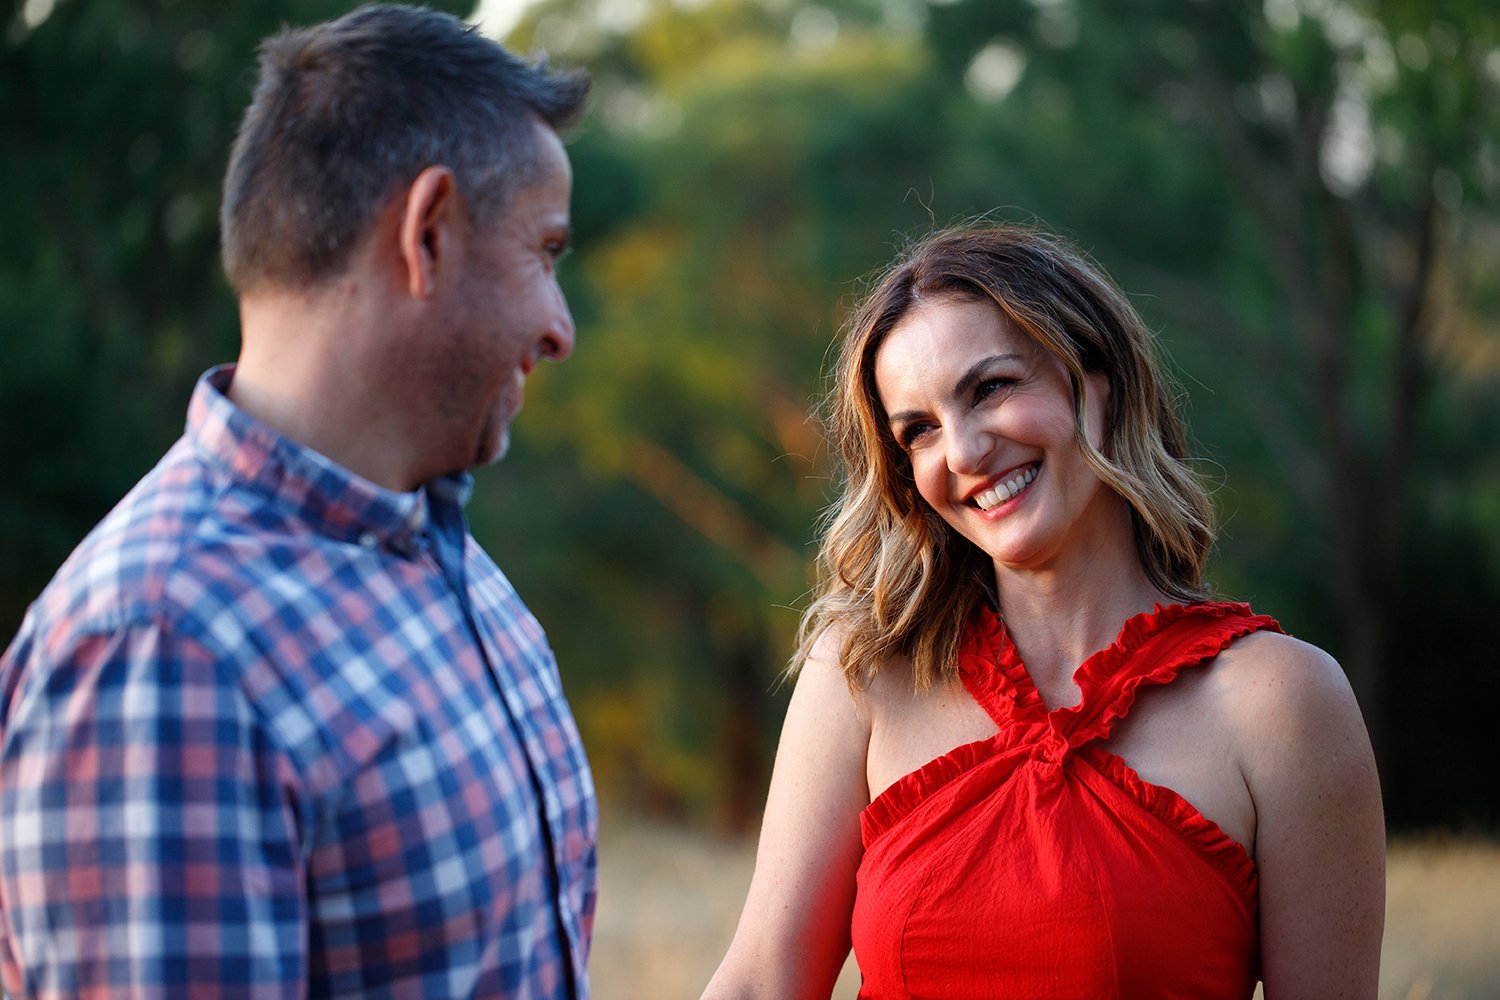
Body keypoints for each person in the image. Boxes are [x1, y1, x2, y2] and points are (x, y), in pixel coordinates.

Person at [0, 5, 597, 996]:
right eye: (546, 251)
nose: (559, 327)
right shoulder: (164, 650)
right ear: (430, 233)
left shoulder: (441, 551)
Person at [703, 224, 1385, 999]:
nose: (960, 452)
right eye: (918, 431)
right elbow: (761, 982)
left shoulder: (1284, 702)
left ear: (1099, 382)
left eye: (990, 387)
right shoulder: (863, 675)